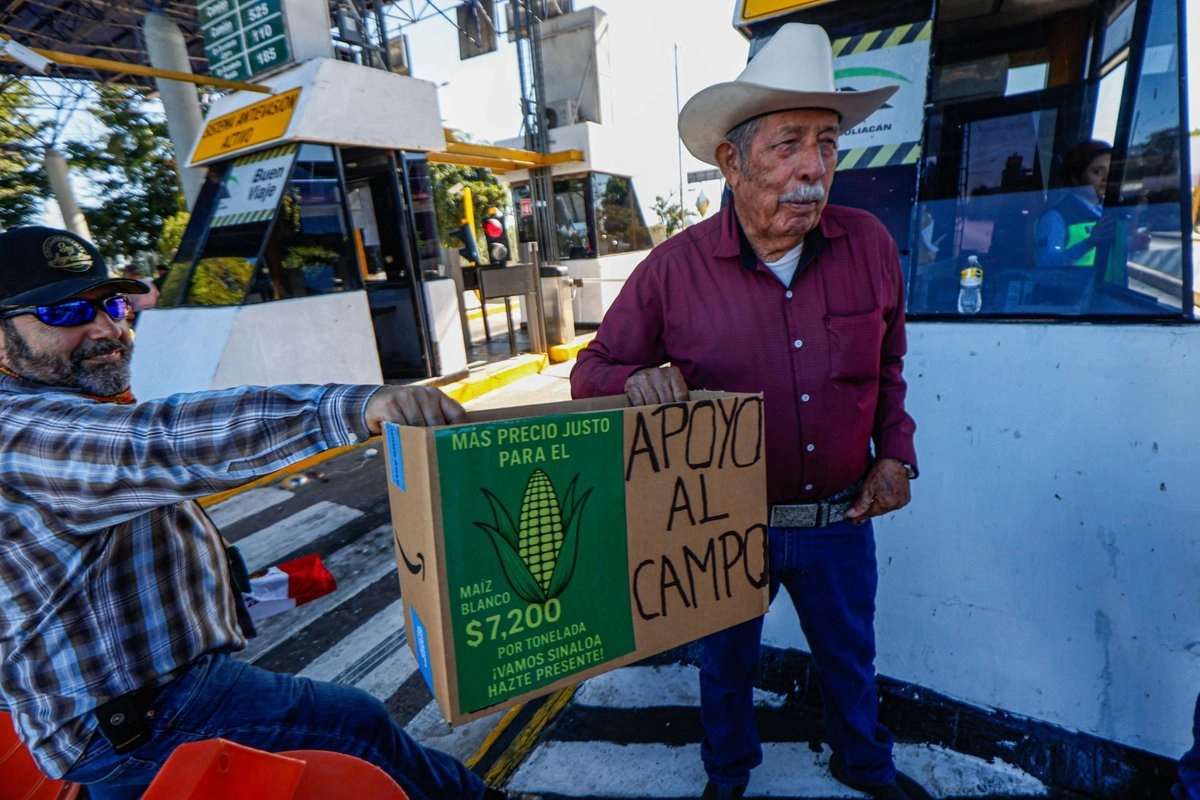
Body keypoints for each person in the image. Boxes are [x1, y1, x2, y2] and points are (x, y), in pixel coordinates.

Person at [0, 226, 520, 800]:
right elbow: (161, 442)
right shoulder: (23, 431)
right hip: (142, 717)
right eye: (65, 311)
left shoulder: (62, 405)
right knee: (357, 726)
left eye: (113, 304)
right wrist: (356, 405)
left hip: (134, 703)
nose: (106, 328)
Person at [570, 23, 929, 800]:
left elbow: (891, 365)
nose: (813, 168)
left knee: (849, 657)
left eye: (827, 144)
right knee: (723, 664)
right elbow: (590, 370)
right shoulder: (673, 270)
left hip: (839, 519)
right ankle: (728, 777)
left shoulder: (868, 245)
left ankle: (865, 765)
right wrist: (633, 380)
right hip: (723, 524)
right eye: (788, 144)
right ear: (731, 161)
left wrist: (896, 453)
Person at [1034, 139, 1115, 268]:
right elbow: (1047, 264)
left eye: (1111, 171)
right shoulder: (1055, 217)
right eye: (1097, 172)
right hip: (1071, 288)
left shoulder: (1111, 212)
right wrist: (1088, 243)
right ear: (1075, 178)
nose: (1106, 178)